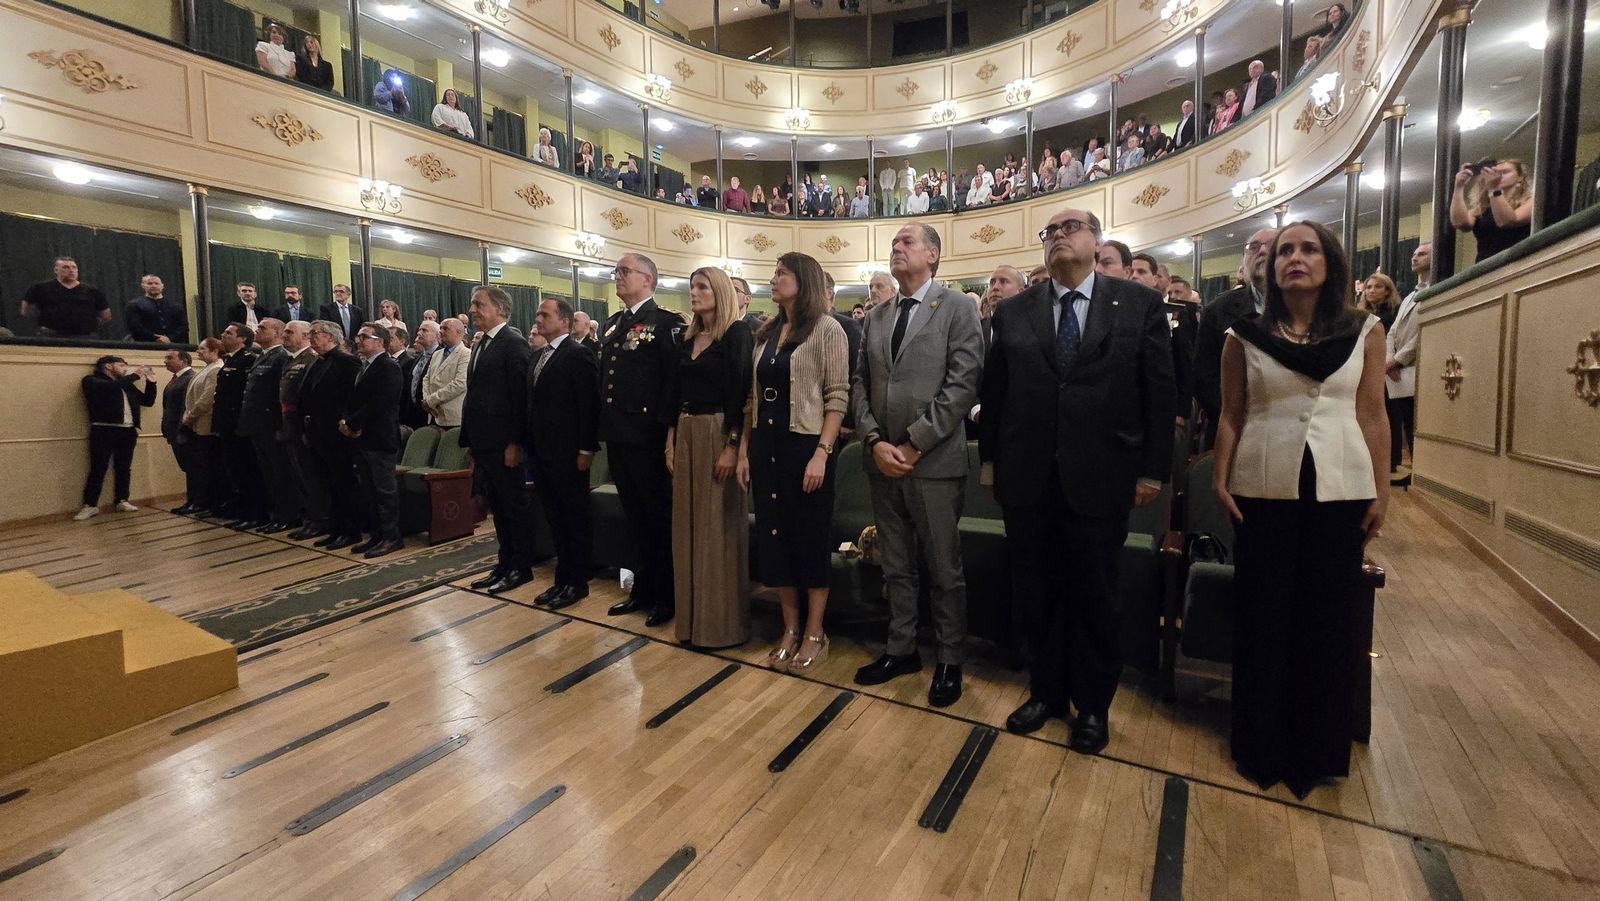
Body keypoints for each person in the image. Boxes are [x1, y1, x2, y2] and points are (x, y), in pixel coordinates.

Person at [979, 207, 1176, 752]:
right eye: (1050, 232)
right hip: (1027, 476)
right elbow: (996, 395)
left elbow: (1158, 394)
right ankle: (1044, 692)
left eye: (1071, 228)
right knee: (1036, 591)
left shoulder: (1138, 304)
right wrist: (990, 464)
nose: (1058, 236)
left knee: (1094, 595)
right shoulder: (1015, 311)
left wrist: (1153, 469)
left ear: (1097, 242)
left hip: (1103, 474)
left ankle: (1092, 705)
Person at [1212, 220, 1389, 799]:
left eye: (1308, 249)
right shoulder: (1243, 335)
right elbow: (1232, 414)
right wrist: (1219, 478)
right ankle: (1260, 745)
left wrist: (1382, 490)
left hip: (1341, 483)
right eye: (1284, 250)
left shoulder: (1365, 330)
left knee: (1327, 615)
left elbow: (1372, 416)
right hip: (1263, 483)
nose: (1294, 258)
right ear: (1268, 268)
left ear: (1328, 261)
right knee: (1263, 615)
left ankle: (1317, 749)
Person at [851, 225, 984, 707]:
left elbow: (961, 385)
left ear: (933, 253)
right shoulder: (878, 315)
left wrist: (912, 445)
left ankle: (949, 659)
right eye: (894, 243)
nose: (897, 248)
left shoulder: (956, 309)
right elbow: (859, 383)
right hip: (882, 461)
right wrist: (873, 441)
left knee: (943, 569)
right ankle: (901, 648)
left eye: (907, 242)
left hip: (932, 464)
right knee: (896, 566)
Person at [737, 252, 848, 672]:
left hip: (806, 447)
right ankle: (789, 628)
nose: (774, 278)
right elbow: (751, 397)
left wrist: (823, 452)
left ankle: (816, 631)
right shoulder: (766, 332)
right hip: (766, 445)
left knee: (808, 537)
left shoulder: (827, 329)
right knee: (774, 536)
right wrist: (745, 448)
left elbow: (837, 395)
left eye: (782, 273)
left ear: (803, 280)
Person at [666, 268, 754, 647]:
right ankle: (690, 623)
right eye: (692, 287)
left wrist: (733, 445)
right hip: (685, 431)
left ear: (720, 291)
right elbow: (673, 394)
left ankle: (719, 625)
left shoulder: (736, 334)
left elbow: (740, 394)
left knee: (716, 527)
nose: (694, 293)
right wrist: (669, 440)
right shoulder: (686, 339)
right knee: (687, 525)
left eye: (702, 286)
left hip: (718, 430)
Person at [600, 254, 684, 626]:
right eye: (616, 271)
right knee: (633, 518)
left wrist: (669, 436)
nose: (617, 277)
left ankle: (667, 597)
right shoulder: (614, 323)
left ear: (647, 279)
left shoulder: (665, 323)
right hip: (619, 437)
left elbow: (672, 385)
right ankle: (642, 589)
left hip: (648, 438)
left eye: (624, 271)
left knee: (658, 519)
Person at [516, 298, 598, 609]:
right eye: (537, 314)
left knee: (573, 519)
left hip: (568, 453)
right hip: (540, 452)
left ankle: (577, 583)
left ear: (563, 321)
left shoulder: (579, 355)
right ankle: (561, 580)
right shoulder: (540, 355)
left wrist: (586, 448)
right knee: (554, 520)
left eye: (545, 315)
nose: (538, 319)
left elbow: (588, 406)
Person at [459, 286, 536, 591]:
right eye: (472, 304)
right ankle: (504, 563)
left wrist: (515, 443)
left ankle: (521, 567)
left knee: (513, 508)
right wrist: (470, 442)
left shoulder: (513, 344)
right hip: (484, 442)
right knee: (498, 509)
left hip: (505, 444)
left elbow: (520, 400)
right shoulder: (482, 345)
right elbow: (476, 396)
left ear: (500, 310)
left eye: (479, 304)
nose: (473, 309)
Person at [1195, 227, 1278, 446]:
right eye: (1253, 247)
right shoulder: (1218, 310)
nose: (1261, 252)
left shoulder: (1308, 307)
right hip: (1233, 433)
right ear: (1243, 261)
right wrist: (1239, 421)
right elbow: (1205, 376)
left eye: (1270, 245)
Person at [339, 323, 405, 558]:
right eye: (358, 336)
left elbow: (381, 402)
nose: (358, 340)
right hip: (362, 437)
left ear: (380, 342)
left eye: (364, 336)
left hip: (379, 437)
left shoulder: (388, 367)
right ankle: (376, 535)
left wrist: (354, 423)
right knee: (369, 490)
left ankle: (392, 537)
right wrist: (347, 421)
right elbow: (354, 399)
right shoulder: (364, 367)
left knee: (384, 491)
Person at [301, 321, 364, 549]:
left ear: (330, 337)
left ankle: (351, 530)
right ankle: (336, 528)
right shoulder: (316, 361)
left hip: (339, 434)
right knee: (327, 483)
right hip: (318, 434)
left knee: (344, 484)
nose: (311, 337)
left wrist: (348, 423)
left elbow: (354, 397)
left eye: (315, 333)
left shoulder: (347, 361)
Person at [74, 356, 157, 520]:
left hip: (127, 431)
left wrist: (151, 383)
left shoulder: (127, 385)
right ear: (108, 366)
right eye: (121, 365)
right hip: (103, 429)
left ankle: (122, 499)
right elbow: (110, 388)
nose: (125, 369)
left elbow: (147, 402)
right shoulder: (92, 381)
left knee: (124, 467)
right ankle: (90, 505)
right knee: (98, 468)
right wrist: (135, 375)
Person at [235, 319, 299, 534]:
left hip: (271, 424)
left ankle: (287, 516)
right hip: (258, 425)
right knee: (268, 474)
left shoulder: (280, 357)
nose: (257, 330)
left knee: (280, 474)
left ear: (277, 333)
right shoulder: (263, 356)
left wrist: (281, 425)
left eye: (262, 328)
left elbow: (281, 394)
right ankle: (276, 515)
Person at [278, 322, 328, 541]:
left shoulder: (311, 359)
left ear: (305, 336)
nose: (285, 335)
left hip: (303, 426)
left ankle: (319, 519)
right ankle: (309, 518)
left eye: (290, 332)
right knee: (299, 476)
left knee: (310, 476)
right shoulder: (292, 360)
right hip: (290, 425)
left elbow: (308, 397)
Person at [1384, 243, 1430, 476]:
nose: (1414, 257)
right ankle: (1415, 474)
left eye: (1421, 254)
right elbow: (1393, 331)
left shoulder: (1438, 289)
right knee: (1407, 424)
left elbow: (1424, 330)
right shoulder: (1411, 296)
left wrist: (1397, 360)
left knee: (1420, 425)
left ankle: (1423, 474)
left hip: (1419, 368)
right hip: (1399, 371)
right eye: (1413, 253)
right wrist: (1389, 358)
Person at [215, 324, 262, 526]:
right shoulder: (230, 360)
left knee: (247, 470)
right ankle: (242, 511)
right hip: (228, 424)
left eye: (228, 333)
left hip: (239, 424)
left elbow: (246, 395)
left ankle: (254, 513)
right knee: (235, 470)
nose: (223, 336)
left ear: (242, 339)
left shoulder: (248, 360)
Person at [1450, 159, 1533, 263]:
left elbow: (1506, 221)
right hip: (1485, 267)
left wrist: (1494, 189)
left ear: (1520, 177)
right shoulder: (1482, 209)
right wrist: (1459, 186)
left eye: (1505, 172)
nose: (1499, 175)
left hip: (1517, 263)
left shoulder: (1530, 202)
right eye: (1496, 172)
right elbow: (1460, 223)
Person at [181, 339, 225, 515]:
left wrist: (191, 415)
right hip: (197, 423)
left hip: (206, 424)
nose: (198, 352)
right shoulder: (206, 369)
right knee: (201, 466)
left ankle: (212, 504)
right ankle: (203, 502)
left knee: (211, 467)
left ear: (214, 351)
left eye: (202, 349)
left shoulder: (216, 369)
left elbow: (207, 398)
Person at [23, 257, 110, 338]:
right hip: (50, 336)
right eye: (66, 267)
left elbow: (106, 315)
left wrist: (88, 324)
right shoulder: (40, 288)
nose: (71, 270)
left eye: (74, 267)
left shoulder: (92, 291)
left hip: (84, 337)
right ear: (56, 270)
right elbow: (26, 310)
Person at [160, 350, 200, 514]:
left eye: (170, 358)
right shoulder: (175, 380)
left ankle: (196, 501)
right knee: (188, 468)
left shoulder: (189, 378)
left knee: (193, 468)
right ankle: (192, 500)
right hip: (173, 432)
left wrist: (183, 430)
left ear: (184, 361)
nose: (165, 361)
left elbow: (187, 407)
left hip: (183, 432)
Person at [421, 315, 469, 427]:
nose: (441, 331)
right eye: (440, 328)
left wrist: (431, 401)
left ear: (458, 332)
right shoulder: (437, 354)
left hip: (453, 418)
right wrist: (427, 401)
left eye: (445, 328)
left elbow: (460, 383)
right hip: (433, 414)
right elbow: (426, 378)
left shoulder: (466, 354)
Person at [125, 275, 188, 344]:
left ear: (162, 286)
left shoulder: (176, 306)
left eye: (156, 283)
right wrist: (155, 338)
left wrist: (170, 338)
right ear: (143, 286)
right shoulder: (134, 305)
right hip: (146, 345)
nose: (154, 286)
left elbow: (183, 327)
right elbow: (135, 327)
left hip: (174, 345)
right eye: (149, 283)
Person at [404, 320, 440, 429]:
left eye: (424, 330)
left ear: (437, 336)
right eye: (419, 330)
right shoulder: (419, 357)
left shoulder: (442, 356)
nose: (419, 333)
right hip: (414, 415)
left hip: (432, 415)